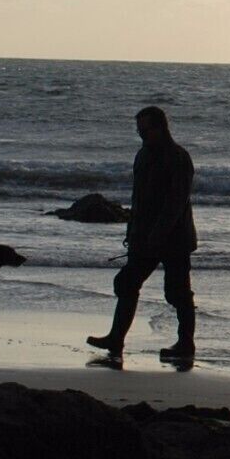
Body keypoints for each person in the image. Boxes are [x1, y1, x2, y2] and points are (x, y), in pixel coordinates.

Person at [88, 105, 196, 367]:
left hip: (175, 240)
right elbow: (138, 200)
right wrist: (132, 230)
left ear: (160, 127)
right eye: (139, 130)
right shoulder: (143, 156)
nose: (141, 135)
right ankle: (116, 338)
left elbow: (176, 203)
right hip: (145, 238)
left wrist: (157, 235)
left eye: (145, 130)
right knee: (126, 283)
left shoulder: (178, 157)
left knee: (177, 293)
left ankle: (185, 344)